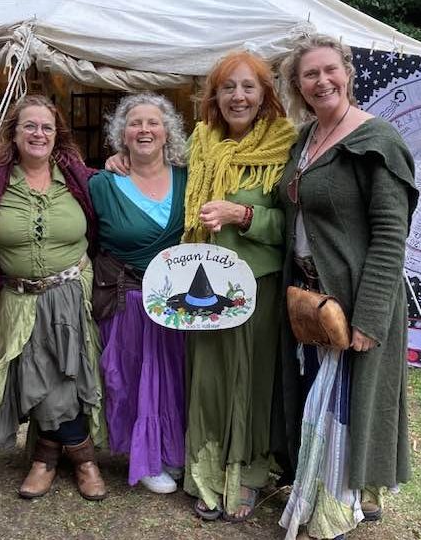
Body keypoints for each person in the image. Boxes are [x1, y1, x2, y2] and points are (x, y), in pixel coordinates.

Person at [276, 34, 417, 540]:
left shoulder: (377, 140)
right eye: (309, 75)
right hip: (311, 298)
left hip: (355, 299)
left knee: (346, 410)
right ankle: (315, 493)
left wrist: (370, 318)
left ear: (348, 72)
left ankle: (336, 511)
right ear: (298, 86)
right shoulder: (305, 139)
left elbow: (390, 236)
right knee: (317, 403)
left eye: (329, 69)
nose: (322, 81)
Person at [182, 51, 296, 522]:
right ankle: (205, 473)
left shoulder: (286, 144)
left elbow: (294, 224)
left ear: (266, 94)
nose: (238, 96)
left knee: (252, 381)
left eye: (249, 86)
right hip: (204, 287)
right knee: (209, 381)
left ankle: (247, 474)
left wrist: (243, 215)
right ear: (214, 95)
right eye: (228, 87)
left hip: (256, 287)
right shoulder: (201, 141)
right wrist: (121, 159)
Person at [0, 94, 107, 501]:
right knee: (37, 372)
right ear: (14, 134)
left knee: (69, 373)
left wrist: (120, 162)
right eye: (29, 126)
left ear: (57, 134)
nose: (38, 134)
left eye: (46, 127)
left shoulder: (78, 177)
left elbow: (108, 207)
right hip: (20, 297)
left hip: (72, 291)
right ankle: (77, 454)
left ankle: (51, 458)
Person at [89, 93, 188, 494]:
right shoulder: (102, 184)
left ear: (167, 132)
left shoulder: (189, 178)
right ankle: (144, 457)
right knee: (132, 378)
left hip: (177, 302)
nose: (144, 130)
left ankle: (171, 448)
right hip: (126, 297)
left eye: (153, 122)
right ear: (122, 134)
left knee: (173, 377)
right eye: (135, 123)